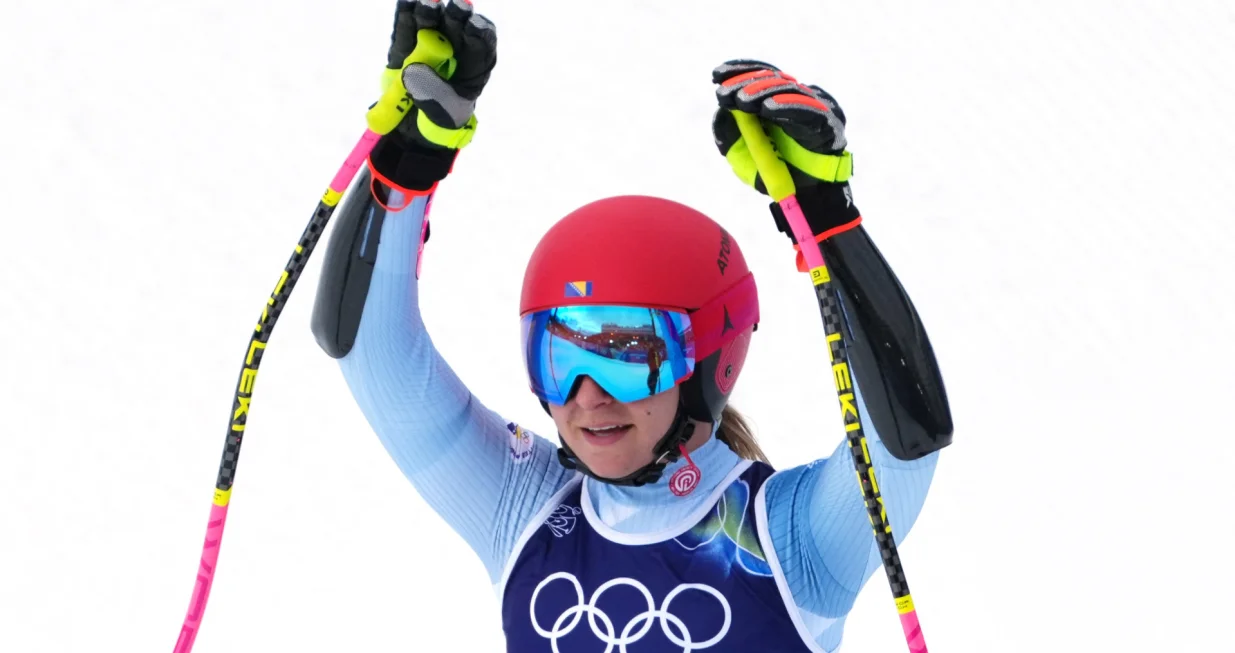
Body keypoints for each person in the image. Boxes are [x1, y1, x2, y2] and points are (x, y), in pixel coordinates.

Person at [311, 1, 954, 651]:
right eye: (560, 357)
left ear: (710, 361)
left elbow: (905, 443)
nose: (588, 394)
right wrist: (407, 161)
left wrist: (825, 222)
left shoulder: (786, 543)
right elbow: (367, 347)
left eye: (626, 354)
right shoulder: (526, 510)